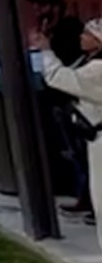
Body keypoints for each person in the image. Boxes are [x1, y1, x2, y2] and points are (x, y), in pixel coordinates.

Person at [33, 19, 102, 248]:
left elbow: (60, 78)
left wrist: (45, 51)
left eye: (87, 33)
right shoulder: (90, 62)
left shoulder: (97, 70)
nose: (81, 37)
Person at [32, 0, 93, 222]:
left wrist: (47, 46)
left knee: (82, 152)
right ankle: (84, 197)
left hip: (73, 98)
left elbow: (68, 67)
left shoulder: (69, 28)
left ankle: (88, 200)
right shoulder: (49, 27)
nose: (37, 11)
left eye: (41, 6)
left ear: (54, 6)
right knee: (75, 153)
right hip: (59, 97)